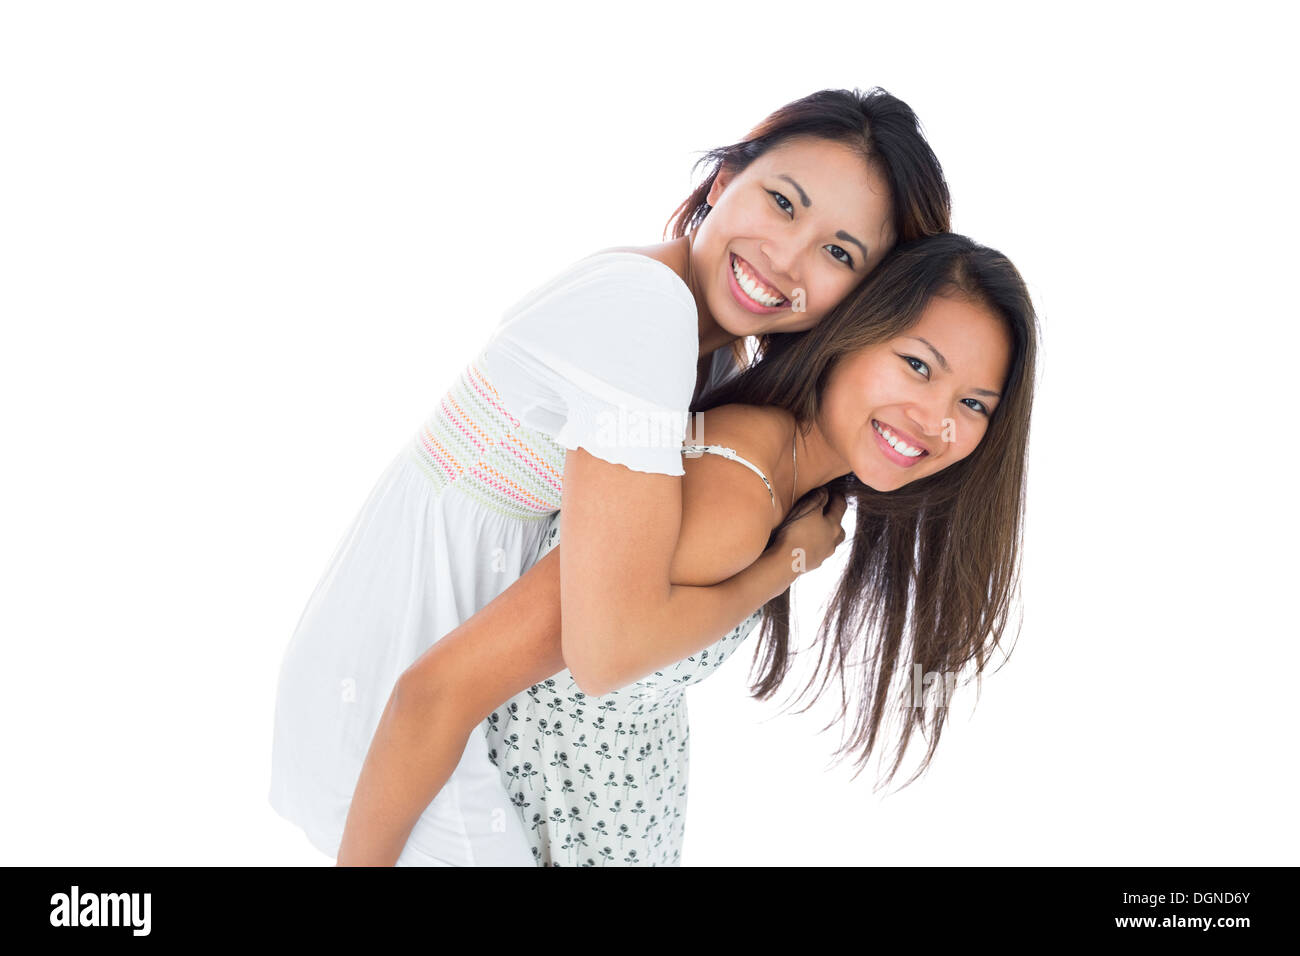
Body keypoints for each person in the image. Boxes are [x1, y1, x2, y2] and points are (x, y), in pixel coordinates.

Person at [270, 86, 952, 865]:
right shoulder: (646, 315)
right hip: (397, 710)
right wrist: (781, 565)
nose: (786, 257)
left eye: (838, 253)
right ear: (725, 177)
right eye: (782, 202)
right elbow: (603, 652)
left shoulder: (706, 349)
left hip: (430, 706)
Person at [339, 232, 1038, 866]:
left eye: (974, 404)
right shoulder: (734, 493)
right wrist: (780, 568)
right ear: (851, 333)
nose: (937, 421)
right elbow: (436, 693)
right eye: (918, 365)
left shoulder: (779, 472)